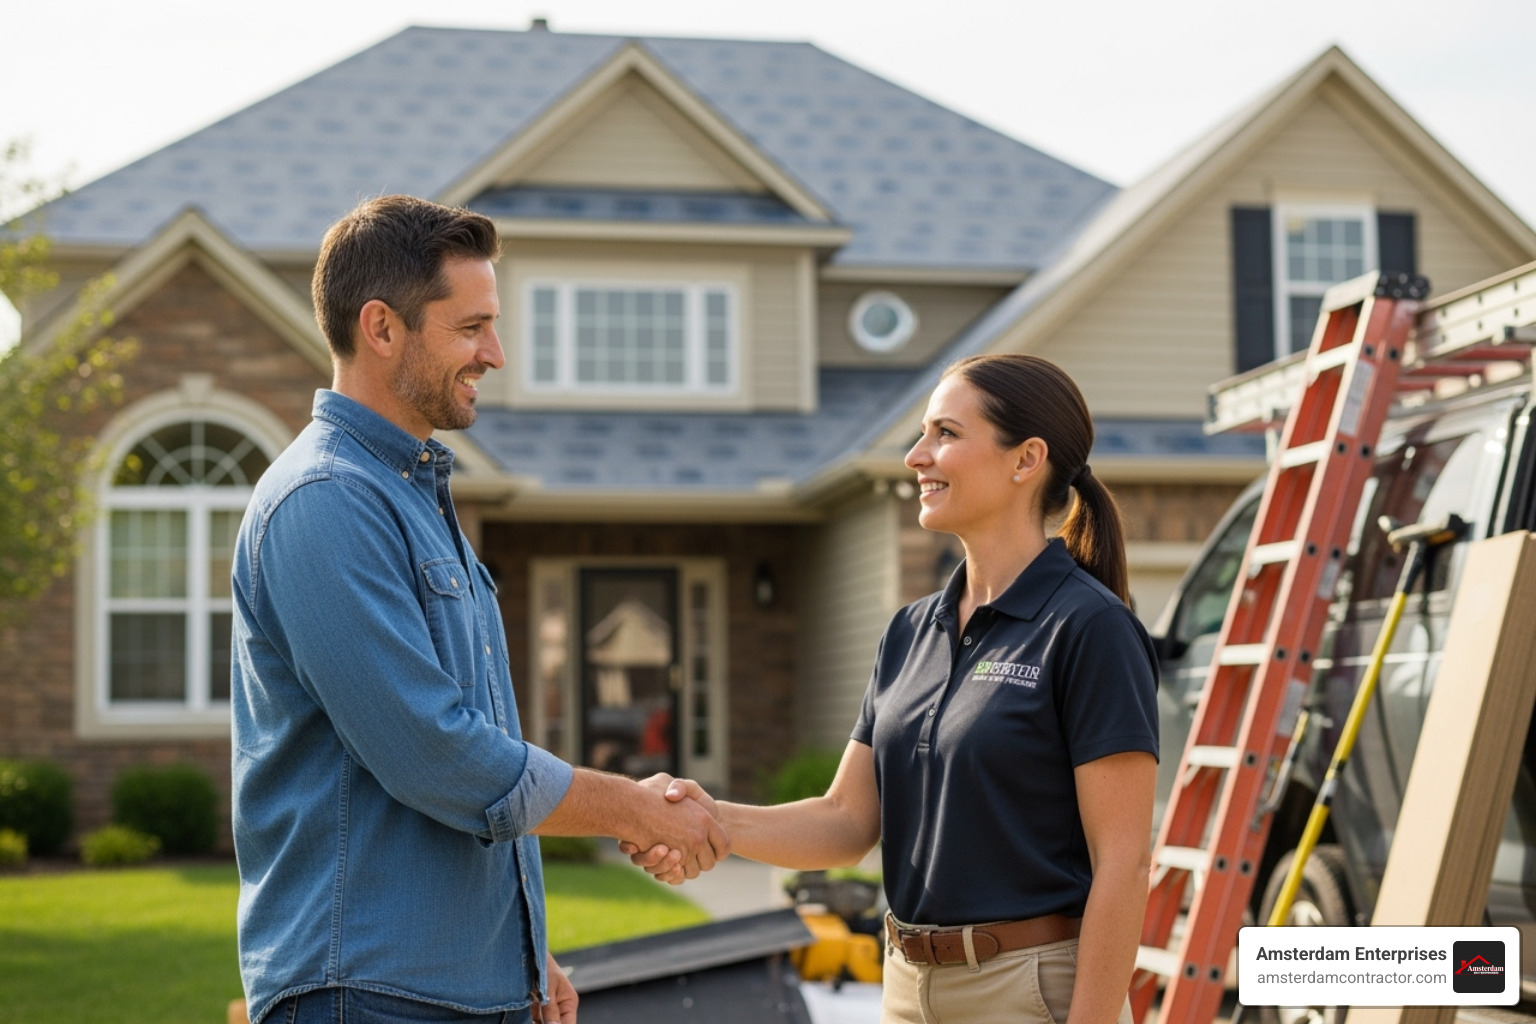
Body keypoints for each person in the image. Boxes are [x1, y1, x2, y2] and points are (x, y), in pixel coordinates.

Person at [230, 195, 726, 1024]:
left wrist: (527, 951)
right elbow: (434, 753)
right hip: (367, 990)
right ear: (382, 328)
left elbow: (475, 756)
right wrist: (635, 809)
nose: (495, 354)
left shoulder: (410, 495)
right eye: (471, 328)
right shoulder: (325, 501)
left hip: (461, 985)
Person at [629, 354, 1158, 1024]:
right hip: (907, 989)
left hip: (1028, 992)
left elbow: (1124, 862)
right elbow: (847, 821)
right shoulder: (911, 631)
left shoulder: (1090, 629)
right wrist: (709, 818)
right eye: (922, 434)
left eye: (945, 434)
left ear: (1026, 460)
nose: (916, 457)